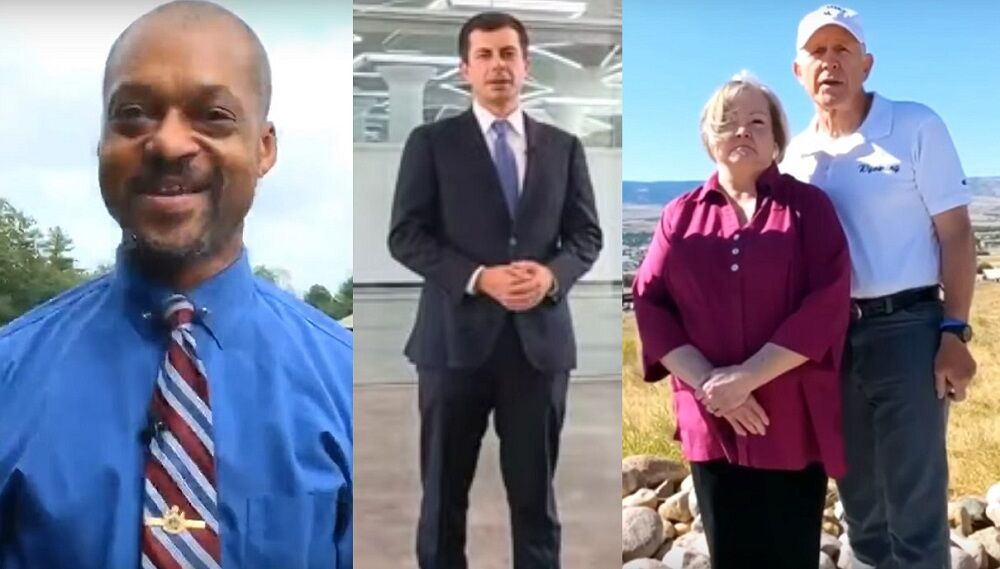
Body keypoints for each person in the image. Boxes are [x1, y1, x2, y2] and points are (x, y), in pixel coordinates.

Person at [0, 2, 353, 568]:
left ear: (264, 148)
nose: (167, 144)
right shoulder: (9, 378)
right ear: (100, 144)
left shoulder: (343, 383)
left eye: (212, 115)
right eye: (133, 114)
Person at [387, 11, 602, 569]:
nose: (497, 66)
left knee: (535, 501)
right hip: (452, 346)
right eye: (484, 55)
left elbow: (586, 236)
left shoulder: (564, 147)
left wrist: (552, 275)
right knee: (442, 498)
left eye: (508, 54)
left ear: (526, 66)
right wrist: (479, 278)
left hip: (539, 350)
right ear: (465, 69)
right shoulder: (432, 143)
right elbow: (406, 236)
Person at [780, 5, 977, 568]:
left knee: (914, 502)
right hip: (832, 341)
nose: (830, 63)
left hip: (910, 332)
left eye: (843, 50)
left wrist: (954, 330)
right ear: (798, 71)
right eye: (817, 52)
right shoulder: (795, 157)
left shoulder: (915, 125)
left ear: (867, 64)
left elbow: (957, 234)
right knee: (860, 501)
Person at [632, 74, 851, 568]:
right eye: (726, 123)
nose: (742, 132)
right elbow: (650, 302)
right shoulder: (678, 216)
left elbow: (829, 302)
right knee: (730, 554)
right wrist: (713, 386)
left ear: (777, 138)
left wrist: (746, 379)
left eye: (757, 121)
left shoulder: (808, 208)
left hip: (789, 416)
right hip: (711, 418)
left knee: (791, 555)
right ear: (708, 138)